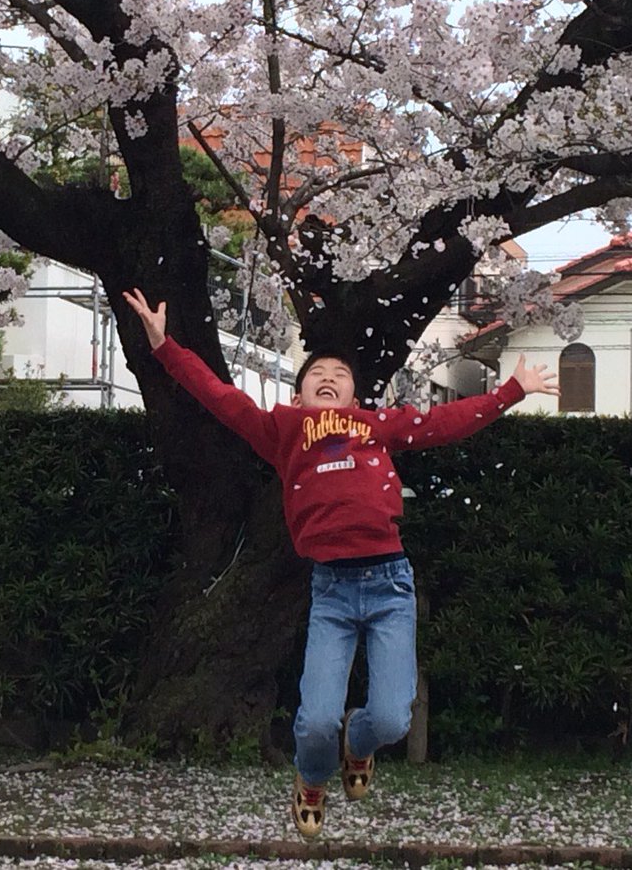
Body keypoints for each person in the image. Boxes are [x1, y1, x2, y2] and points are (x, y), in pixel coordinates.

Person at [122, 288, 559, 838]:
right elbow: (219, 397)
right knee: (314, 723)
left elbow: (444, 422)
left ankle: (360, 741)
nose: (328, 377)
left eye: (340, 375)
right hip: (332, 591)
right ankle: (312, 779)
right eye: (317, 374)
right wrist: (165, 347)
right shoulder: (281, 430)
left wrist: (511, 391)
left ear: (355, 397)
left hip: (390, 586)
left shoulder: (374, 426)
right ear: (298, 394)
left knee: (392, 719)